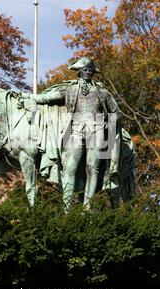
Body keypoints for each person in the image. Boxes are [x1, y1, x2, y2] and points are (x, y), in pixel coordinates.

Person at [16, 57, 122, 211]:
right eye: (85, 69)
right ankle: (66, 207)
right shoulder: (70, 90)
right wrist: (29, 97)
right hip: (76, 129)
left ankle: (87, 206)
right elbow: (46, 98)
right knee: (70, 167)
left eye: (90, 70)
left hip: (97, 129)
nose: (88, 72)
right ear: (79, 72)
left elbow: (117, 113)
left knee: (93, 168)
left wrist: (107, 123)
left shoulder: (103, 93)